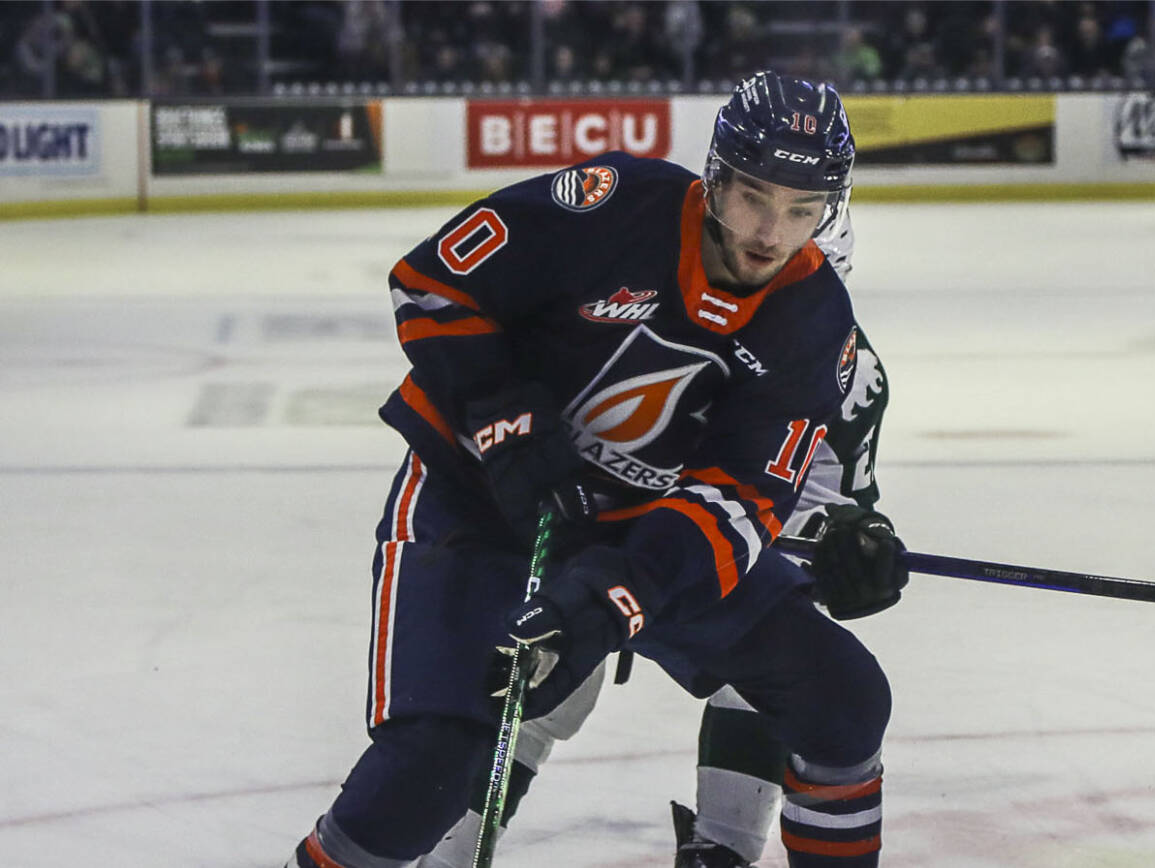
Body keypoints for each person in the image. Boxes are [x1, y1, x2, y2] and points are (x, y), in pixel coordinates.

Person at [286, 70, 908, 868]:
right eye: (754, 196)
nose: (770, 234)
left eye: (801, 212)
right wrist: (504, 421)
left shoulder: (817, 323)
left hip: (641, 537)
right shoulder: (615, 204)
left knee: (844, 699)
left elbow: (738, 502)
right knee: (428, 772)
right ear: (714, 177)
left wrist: (620, 594)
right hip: (479, 505)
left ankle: (728, 841)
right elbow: (435, 283)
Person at [416, 218, 899, 868]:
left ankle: (723, 848)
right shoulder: (640, 297)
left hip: (695, 565)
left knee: (778, 660)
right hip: (586, 538)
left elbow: (822, 511)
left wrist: (854, 547)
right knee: (536, 681)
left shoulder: (843, 364)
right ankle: (440, 854)